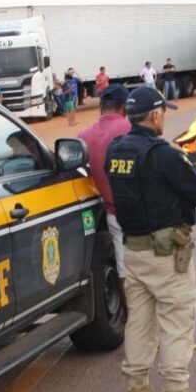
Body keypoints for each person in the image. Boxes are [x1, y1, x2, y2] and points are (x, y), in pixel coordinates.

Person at [106, 87, 196, 392]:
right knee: (177, 322)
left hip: (133, 251)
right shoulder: (164, 153)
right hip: (166, 254)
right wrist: (185, 160)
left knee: (139, 323)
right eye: (163, 113)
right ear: (155, 115)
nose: (164, 118)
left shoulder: (116, 150)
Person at [78, 84, 131, 299]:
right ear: (124, 107)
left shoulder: (83, 136)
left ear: (102, 107)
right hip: (142, 216)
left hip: (113, 215)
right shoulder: (130, 129)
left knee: (124, 270)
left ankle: (133, 320)